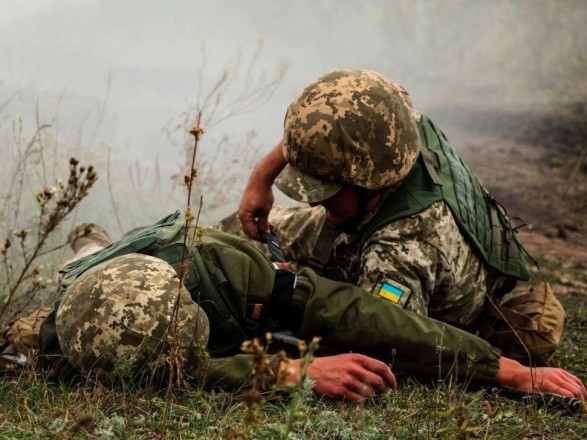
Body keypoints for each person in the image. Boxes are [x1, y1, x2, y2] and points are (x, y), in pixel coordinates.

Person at [22, 211, 587, 403]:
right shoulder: (61, 344)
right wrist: (288, 372)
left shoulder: (228, 271)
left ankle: (94, 236)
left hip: (186, 257)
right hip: (92, 284)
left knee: (103, 245)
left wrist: (503, 368)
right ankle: (89, 239)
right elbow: (188, 371)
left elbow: (359, 314)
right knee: (85, 258)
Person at [222, 68, 563, 367]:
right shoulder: (393, 129)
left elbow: (381, 343)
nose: (314, 201)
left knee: (256, 282)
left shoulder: (402, 250)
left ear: (368, 178)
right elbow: (325, 129)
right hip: (366, 218)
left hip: (404, 270)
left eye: (326, 189)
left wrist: (292, 291)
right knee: (231, 237)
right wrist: (261, 179)